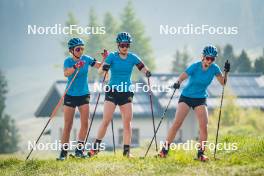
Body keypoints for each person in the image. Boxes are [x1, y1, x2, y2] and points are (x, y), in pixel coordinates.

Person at [158, 45, 230, 161]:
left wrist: (226, 72)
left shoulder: (215, 68)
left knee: (204, 126)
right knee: (177, 123)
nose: (209, 61)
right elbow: (183, 76)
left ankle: (200, 154)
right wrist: (178, 82)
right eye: (207, 58)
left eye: (212, 59)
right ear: (203, 57)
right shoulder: (195, 66)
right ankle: (164, 151)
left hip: (200, 98)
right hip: (186, 97)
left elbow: (223, 83)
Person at [88, 32, 151, 157]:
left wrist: (147, 72)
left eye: (127, 45)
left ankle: (126, 152)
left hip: (126, 92)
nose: (124, 47)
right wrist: (104, 66)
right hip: (112, 91)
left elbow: (143, 68)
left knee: (127, 122)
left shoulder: (133, 57)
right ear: (118, 45)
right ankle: (94, 149)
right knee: (106, 120)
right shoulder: (112, 56)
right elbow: (100, 72)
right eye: (122, 45)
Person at [57, 38, 104, 160]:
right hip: (70, 95)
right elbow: (66, 73)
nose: (81, 51)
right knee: (68, 125)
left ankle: (79, 150)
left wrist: (105, 59)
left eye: (82, 48)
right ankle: (63, 153)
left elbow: (100, 66)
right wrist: (75, 66)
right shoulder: (68, 61)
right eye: (78, 49)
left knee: (85, 123)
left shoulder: (86, 59)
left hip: (83, 94)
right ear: (72, 50)